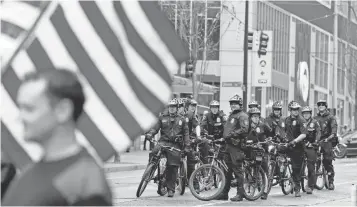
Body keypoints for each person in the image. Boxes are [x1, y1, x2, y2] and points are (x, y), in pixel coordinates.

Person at [2, 69, 112, 206]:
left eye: (29, 109)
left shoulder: (85, 181)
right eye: (20, 108)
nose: (20, 118)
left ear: (63, 110)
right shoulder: (29, 172)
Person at [145, 99, 190, 197]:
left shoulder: (182, 119)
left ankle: (171, 189)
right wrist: (150, 134)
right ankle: (150, 170)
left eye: (173, 107)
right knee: (153, 152)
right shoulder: (162, 117)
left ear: (177, 108)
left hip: (175, 145)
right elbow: (155, 129)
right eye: (170, 107)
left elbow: (186, 134)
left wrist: (187, 146)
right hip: (163, 142)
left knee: (172, 166)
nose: (171, 108)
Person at [218, 94, 249, 201]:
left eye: (235, 104)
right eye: (232, 104)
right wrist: (223, 138)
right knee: (227, 171)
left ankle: (240, 194)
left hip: (236, 146)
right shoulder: (232, 115)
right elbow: (227, 130)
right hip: (228, 145)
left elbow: (244, 129)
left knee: (237, 170)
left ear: (240, 105)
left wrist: (232, 134)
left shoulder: (242, 116)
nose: (233, 106)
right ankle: (224, 193)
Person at [246, 108, 272, 200]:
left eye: (257, 116)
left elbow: (271, 133)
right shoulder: (246, 126)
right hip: (250, 150)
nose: (256, 118)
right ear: (250, 117)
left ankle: (265, 191)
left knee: (264, 170)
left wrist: (269, 139)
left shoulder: (263, 125)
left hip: (261, 150)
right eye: (254, 116)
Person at [284, 101, 307, 197]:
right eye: (294, 109)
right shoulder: (286, 120)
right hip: (287, 145)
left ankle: (297, 188)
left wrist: (295, 141)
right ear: (290, 110)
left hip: (298, 146)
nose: (296, 111)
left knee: (296, 168)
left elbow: (304, 134)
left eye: (297, 109)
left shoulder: (301, 120)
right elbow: (282, 130)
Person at [314, 100, 337, 190]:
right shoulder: (315, 118)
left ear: (326, 107)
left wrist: (330, 137)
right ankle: (312, 182)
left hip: (327, 140)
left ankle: (330, 182)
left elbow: (334, 129)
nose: (321, 106)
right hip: (317, 141)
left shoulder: (331, 117)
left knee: (327, 160)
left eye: (323, 105)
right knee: (314, 160)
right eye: (319, 105)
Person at [301, 106, 321, 194]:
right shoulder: (300, 122)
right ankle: (296, 183)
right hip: (301, 145)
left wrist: (315, 142)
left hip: (311, 146)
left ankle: (310, 185)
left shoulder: (315, 122)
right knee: (296, 165)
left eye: (308, 113)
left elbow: (318, 133)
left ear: (310, 114)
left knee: (310, 167)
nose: (306, 115)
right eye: (304, 113)